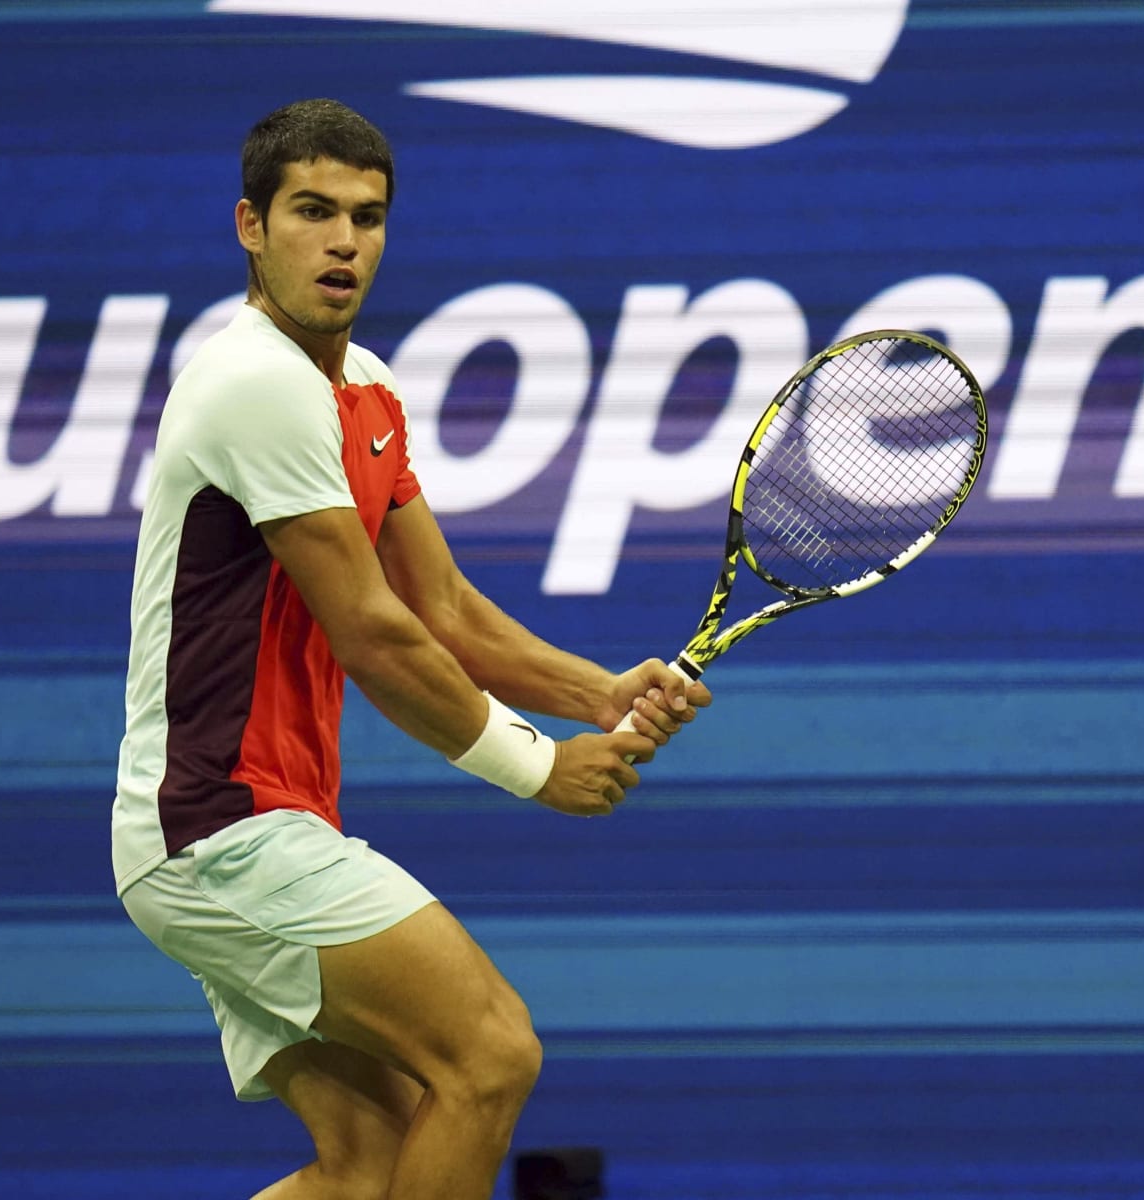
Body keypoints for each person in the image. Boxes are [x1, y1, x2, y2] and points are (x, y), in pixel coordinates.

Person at [111, 98, 712, 1200]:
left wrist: (601, 693)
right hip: (221, 826)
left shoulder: (368, 390)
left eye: (368, 217)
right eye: (312, 212)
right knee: (491, 1052)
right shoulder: (256, 384)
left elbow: (442, 608)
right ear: (251, 225)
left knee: (372, 1165)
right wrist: (539, 767)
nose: (344, 241)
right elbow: (376, 637)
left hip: (240, 827)